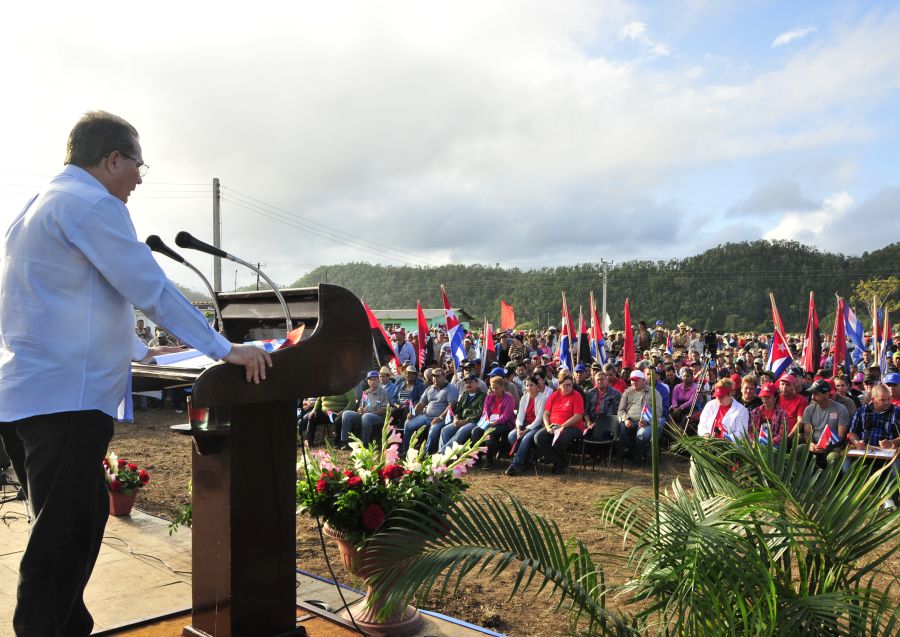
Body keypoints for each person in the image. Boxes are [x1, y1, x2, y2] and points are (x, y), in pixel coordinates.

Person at [0, 111, 271, 637]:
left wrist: (136, 349)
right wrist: (221, 346)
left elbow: (61, 298)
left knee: (60, 534)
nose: (140, 181)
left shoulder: (38, 206)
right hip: (66, 404)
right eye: (138, 167)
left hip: (32, 396)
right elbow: (149, 286)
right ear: (112, 159)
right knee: (63, 544)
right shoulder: (93, 203)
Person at [534, 372, 586, 474]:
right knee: (538, 437)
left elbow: (578, 416)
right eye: (564, 385)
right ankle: (558, 460)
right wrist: (548, 426)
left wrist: (562, 426)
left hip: (573, 427)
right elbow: (546, 414)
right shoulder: (554, 395)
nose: (567, 387)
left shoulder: (577, 395)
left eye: (570, 385)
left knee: (560, 437)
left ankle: (560, 465)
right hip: (554, 425)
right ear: (559, 385)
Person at [401, 368, 458, 453]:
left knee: (433, 429)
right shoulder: (430, 388)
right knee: (408, 423)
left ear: (444, 376)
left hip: (442, 418)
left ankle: (426, 454)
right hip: (427, 416)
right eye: (433, 376)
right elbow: (421, 403)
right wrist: (413, 413)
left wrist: (440, 417)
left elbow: (451, 406)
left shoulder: (451, 388)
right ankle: (406, 451)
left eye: (438, 376)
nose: (435, 378)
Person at [505, 375, 551, 476]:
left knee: (525, 438)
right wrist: (518, 428)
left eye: (532, 385)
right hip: (524, 424)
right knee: (512, 436)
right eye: (527, 385)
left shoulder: (543, 398)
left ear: (537, 386)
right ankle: (525, 461)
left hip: (536, 426)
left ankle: (515, 464)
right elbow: (520, 415)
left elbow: (539, 419)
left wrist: (525, 430)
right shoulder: (524, 398)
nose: (529, 388)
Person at [800, 379, 849, 468]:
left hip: (833, 445)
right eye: (812, 394)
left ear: (826, 394)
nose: (812, 397)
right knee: (799, 449)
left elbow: (841, 435)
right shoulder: (809, 409)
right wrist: (810, 444)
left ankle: (831, 481)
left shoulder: (841, 409)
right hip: (815, 444)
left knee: (833, 457)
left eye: (816, 394)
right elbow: (807, 433)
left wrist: (826, 446)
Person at [616, 370, 664, 463]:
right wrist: (625, 419)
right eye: (632, 380)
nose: (634, 382)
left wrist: (647, 421)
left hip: (646, 422)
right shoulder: (627, 392)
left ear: (643, 380)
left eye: (636, 380)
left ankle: (637, 458)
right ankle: (631, 454)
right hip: (630, 420)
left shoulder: (654, 392)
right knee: (622, 431)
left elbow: (658, 411)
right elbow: (621, 410)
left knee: (642, 435)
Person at [337, 371, 390, 448]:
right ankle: (346, 442)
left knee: (367, 416)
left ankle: (365, 443)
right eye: (370, 380)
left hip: (378, 417)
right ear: (367, 381)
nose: (372, 381)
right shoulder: (365, 393)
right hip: (364, 415)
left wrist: (370, 413)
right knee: (346, 414)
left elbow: (385, 409)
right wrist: (360, 409)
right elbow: (361, 406)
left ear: (378, 380)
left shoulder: (383, 392)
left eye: (374, 379)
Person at [435, 374, 486, 452]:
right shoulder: (465, 395)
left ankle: (442, 453)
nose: (468, 385)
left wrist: (465, 421)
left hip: (474, 421)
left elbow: (480, 413)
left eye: (470, 382)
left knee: (461, 431)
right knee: (445, 430)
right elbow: (458, 409)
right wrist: (456, 418)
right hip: (461, 420)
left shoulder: (483, 396)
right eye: (466, 383)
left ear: (476, 382)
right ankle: (447, 456)